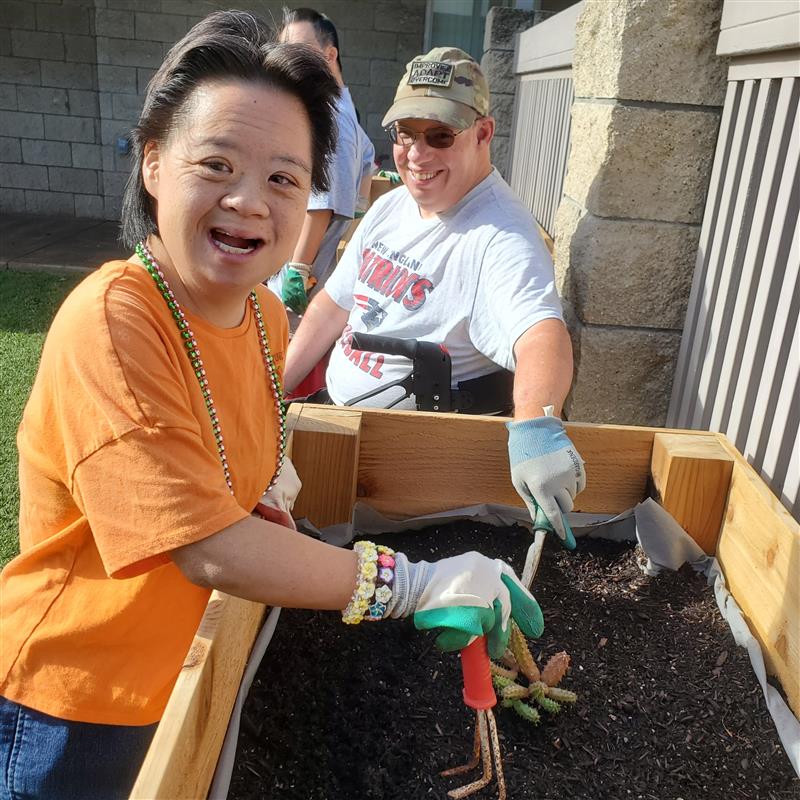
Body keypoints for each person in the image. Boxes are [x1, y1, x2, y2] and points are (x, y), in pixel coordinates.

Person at [0, 15, 543, 800]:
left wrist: (268, 488)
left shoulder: (262, 314)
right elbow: (205, 546)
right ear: (153, 163)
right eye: (216, 164)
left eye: (285, 178)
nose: (249, 201)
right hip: (76, 699)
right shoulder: (115, 322)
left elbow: (238, 468)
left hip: (185, 665)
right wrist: (413, 584)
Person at [283, 47, 587, 548]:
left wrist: (536, 428)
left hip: (407, 484)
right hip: (334, 425)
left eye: (440, 136)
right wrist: (276, 388)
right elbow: (332, 306)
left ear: (483, 134)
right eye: (405, 133)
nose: (417, 155)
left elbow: (541, 334)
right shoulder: (392, 207)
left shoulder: (500, 235)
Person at [270, 6, 376, 318]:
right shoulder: (342, 109)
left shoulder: (330, 117)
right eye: (285, 51)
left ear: (330, 55)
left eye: (301, 50)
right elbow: (367, 159)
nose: (290, 59)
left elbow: (321, 203)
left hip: (297, 289)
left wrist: (298, 270)